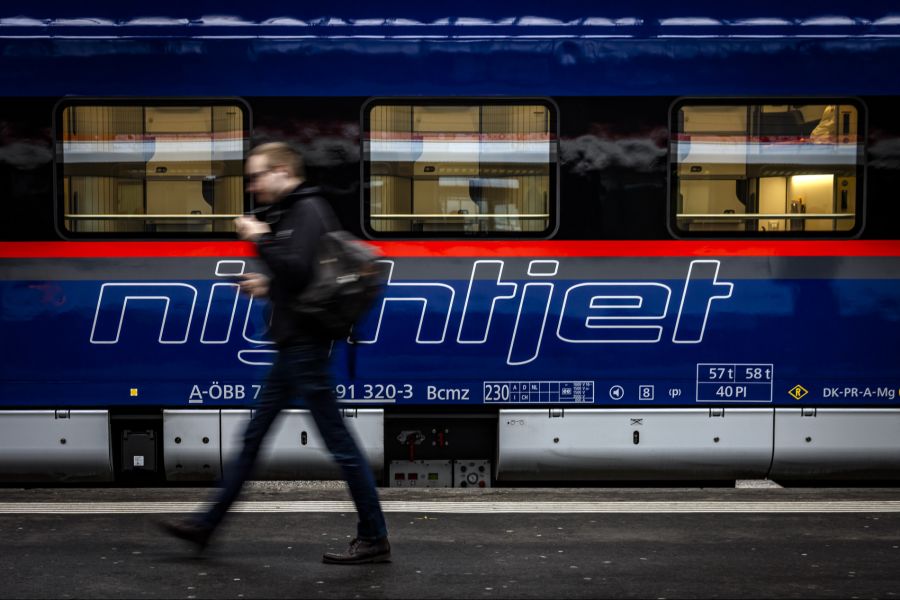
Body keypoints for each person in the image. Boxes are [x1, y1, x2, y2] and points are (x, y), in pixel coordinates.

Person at [161, 142, 390, 565]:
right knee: (254, 438)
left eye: (258, 175)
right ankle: (204, 527)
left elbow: (298, 269)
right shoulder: (298, 212)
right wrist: (265, 285)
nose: (253, 185)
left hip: (304, 346)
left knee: (338, 443)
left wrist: (259, 239)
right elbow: (303, 278)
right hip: (294, 347)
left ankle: (374, 536)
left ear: (282, 170)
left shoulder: (307, 210)